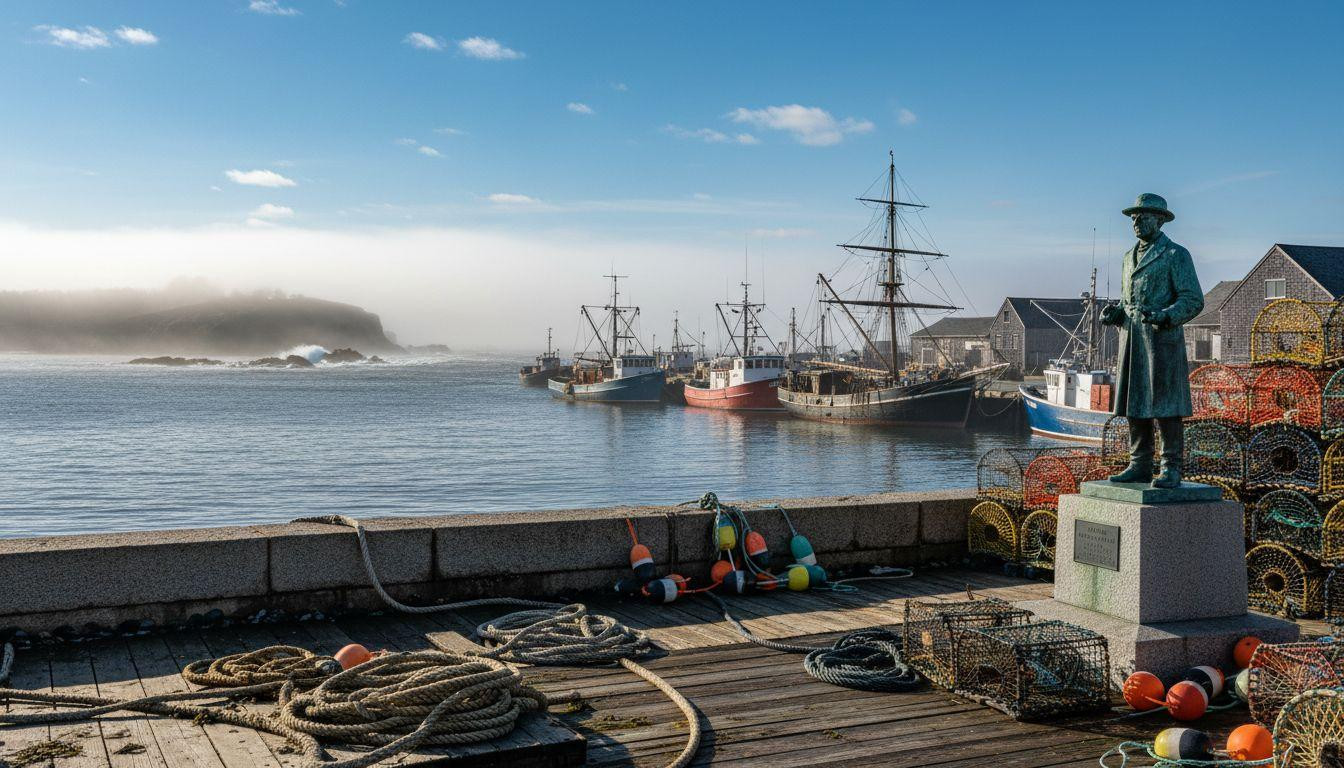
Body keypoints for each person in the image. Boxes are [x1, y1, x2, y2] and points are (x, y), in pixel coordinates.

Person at [1101, 193, 1204, 488]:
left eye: (1143, 216)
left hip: (1162, 342)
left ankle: (1171, 467)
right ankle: (1139, 463)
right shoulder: (1126, 257)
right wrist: (1115, 313)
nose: (1136, 221)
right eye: (1133, 216)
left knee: (1166, 405)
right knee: (1135, 403)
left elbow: (1193, 300)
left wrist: (1165, 315)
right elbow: (1127, 300)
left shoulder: (1176, 255)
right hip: (1132, 340)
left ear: (1159, 220)